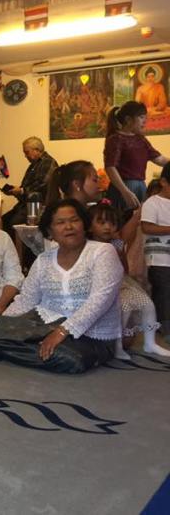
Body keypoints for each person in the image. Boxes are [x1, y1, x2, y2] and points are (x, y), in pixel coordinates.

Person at [0, 199, 123, 373]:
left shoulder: (102, 252)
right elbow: (26, 300)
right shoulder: (44, 260)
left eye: (74, 220)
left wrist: (61, 332)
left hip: (92, 333)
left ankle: (45, 350)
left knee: (72, 360)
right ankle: (46, 351)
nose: (69, 227)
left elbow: (99, 301)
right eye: (60, 222)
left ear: (84, 224)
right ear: (50, 231)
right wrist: (4, 321)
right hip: (47, 323)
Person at [88, 202, 170, 358]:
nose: (108, 227)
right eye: (102, 222)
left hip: (121, 281)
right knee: (124, 307)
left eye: (112, 223)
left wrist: (120, 257)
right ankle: (117, 346)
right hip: (102, 286)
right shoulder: (88, 246)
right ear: (90, 227)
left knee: (147, 304)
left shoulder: (116, 243)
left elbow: (124, 267)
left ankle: (150, 343)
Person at [104, 100, 168, 210]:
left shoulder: (141, 140)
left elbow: (160, 159)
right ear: (128, 119)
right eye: (141, 117)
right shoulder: (115, 139)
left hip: (140, 186)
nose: (145, 121)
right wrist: (125, 191)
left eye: (145, 118)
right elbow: (110, 167)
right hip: (123, 187)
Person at [2, 137, 58, 233]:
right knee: (4, 220)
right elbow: (27, 187)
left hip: (38, 207)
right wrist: (17, 192)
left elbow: (42, 185)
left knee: (12, 223)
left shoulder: (48, 162)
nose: (25, 156)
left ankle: (18, 248)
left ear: (37, 150)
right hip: (27, 206)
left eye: (27, 152)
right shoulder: (33, 165)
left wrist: (21, 191)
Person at [141, 162, 170, 336]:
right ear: (164, 182)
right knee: (163, 292)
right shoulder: (153, 203)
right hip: (159, 259)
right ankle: (165, 327)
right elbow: (147, 227)